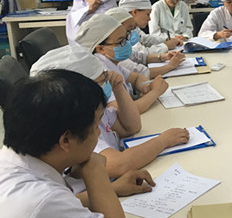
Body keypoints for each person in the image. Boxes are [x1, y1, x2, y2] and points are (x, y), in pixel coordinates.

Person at [0, 69, 129, 218]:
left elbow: (52, 211)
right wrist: (96, 172)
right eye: (96, 126)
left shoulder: (14, 163)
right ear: (66, 140)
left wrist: (114, 188)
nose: (98, 134)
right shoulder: (39, 202)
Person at [30, 45, 189, 182]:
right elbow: (118, 165)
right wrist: (162, 141)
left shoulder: (94, 108)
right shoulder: (76, 123)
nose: (107, 82)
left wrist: (118, 88)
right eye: (102, 80)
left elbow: (130, 127)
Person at [75, 13, 168, 114]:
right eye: (121, 41)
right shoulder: (99, 72)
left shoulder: (110, 62)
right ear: (101, 49)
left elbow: (136, 78)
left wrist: (145, 87)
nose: (127, 44)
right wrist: (155, 92)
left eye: (126, 37)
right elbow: (121, 111)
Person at [106, 7, 186, 79]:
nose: (129, 35)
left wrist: (164, 56)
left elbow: (140, 56)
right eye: (128, 30)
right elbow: (140, 73)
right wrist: (170, 66)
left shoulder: (120, 45)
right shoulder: (111, 53)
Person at [118, 0, 185, 61]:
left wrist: (167, 39)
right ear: (134, 12)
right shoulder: (121, 31)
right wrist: (166, 46)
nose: (149, 19)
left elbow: (145, 39)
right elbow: (141, 55)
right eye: (148, 14)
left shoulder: (133, 28)